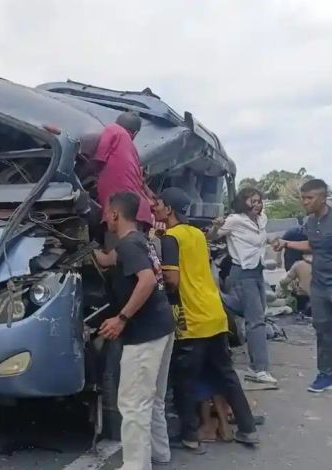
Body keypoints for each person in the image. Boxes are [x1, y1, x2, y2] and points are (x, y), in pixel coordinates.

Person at [155, 188, 259, 451]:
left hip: (193, 319)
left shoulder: (171, 238)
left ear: (169, 209)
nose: (154, 207)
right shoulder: (197, 236)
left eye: (157, 204)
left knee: (185, 379)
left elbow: (173, 279)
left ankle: (190, 436)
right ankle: (247, 429)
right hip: (215, 314)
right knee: (227, 375)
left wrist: (160, 285)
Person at [93, 191, 175, 470]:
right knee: (154, 399)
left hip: (145, 334)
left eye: (106, 213)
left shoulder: (129, 245)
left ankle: (135, 465)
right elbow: (106, 260)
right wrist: (78, 246)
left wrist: (121, 318)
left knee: (133, 404)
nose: (105, 217)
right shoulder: (139, 239)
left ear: (115, 214)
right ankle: (160, 454)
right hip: (163, 327)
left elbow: (148, 281)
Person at [274, 179, 332, 393]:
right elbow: (312, 244)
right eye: (303, 197)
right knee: (323, 332)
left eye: (309, 198)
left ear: (323, 198)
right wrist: (286, 243)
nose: (305, 202)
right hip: (320, 285)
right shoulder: (310, 222)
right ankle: (325, 376)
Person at [208, 188, 276, 385]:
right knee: (256, 321)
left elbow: (261, 240)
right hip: (242, 273)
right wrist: (215, 227)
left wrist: (274, 241)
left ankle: (219, 301)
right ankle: (260, 369)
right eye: (252, 201)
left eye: (259, 200)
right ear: (242, 202)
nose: (257, 204)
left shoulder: (262, 219)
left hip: (257, 271)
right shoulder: (235, 220)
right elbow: (212, 237)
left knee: (257, 316)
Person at [87, 112, 156, 249]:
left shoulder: (114, 130)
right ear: (135, 133)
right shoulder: (132, 148)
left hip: (122, 214)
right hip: (137, 211)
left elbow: (98, 160)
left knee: (119, 259)